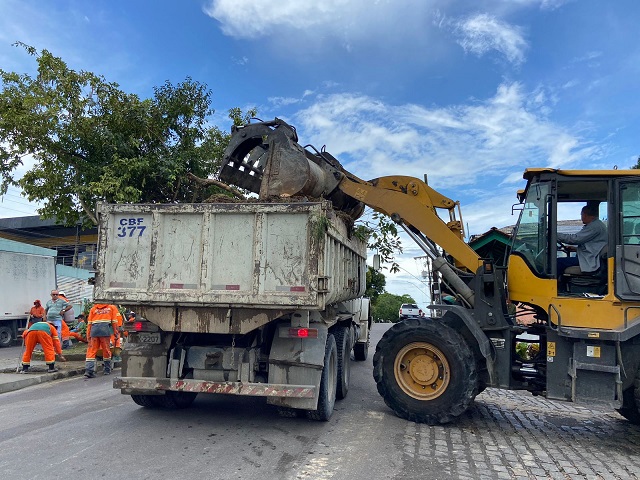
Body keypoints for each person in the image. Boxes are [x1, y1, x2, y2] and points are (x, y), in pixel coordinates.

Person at [557, 204, 608, 276]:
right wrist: (576, 249)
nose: (581, 217)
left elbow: (575, 239)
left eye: (581, 215)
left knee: (557, 262)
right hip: (589, 257)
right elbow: (593, 246)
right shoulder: (596, 225)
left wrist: (555, 235)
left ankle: (555, 286)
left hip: (590, 260)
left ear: (585, 215)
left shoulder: (594, 226)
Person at [84, 303, 119, 378]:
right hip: (105, 331)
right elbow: (114, 322)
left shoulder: (93, 309)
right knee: (106, 350)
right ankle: (107, 369)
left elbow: (89, 324)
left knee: (91, 351)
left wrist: (88, 336)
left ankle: (89, 371)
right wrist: (116, 333)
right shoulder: (111, 308)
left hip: (94, 331)